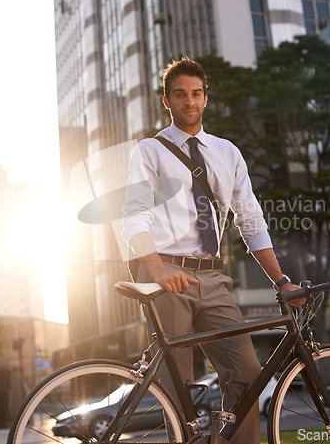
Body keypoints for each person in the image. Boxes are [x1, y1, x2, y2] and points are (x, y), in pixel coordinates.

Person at [122, 58, 304, 443]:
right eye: (180, 95)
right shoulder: (149, 152)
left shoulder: (227, 153)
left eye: (196, 94)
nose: (189, 101)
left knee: (248, 376)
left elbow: (250, 220)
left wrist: (282, 280)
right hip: (167, 274)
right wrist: (156, 270)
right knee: (178, 390)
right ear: (166, 102)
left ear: (205, 99)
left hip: (211, 276)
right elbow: (134, 218)